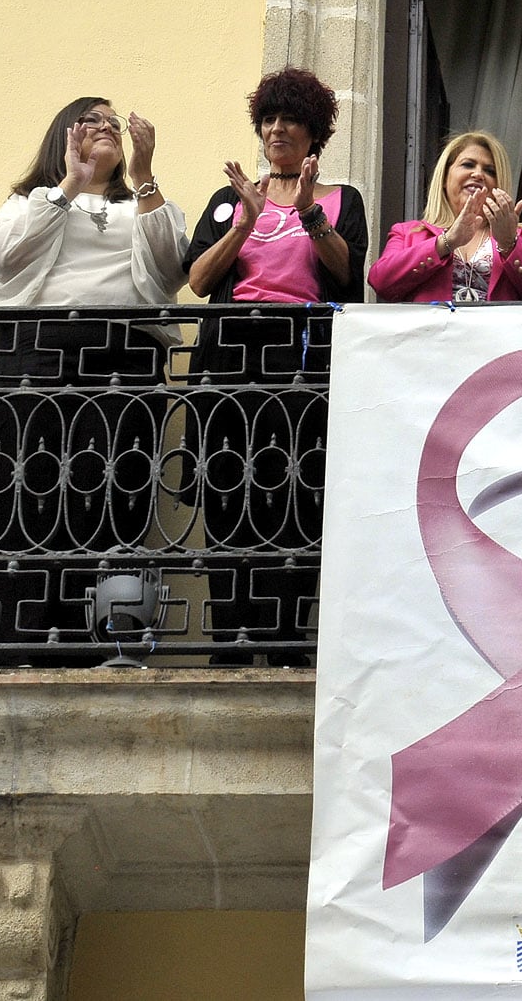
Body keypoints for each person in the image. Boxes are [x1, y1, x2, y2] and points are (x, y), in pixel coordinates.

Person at [0, 98, 188, 665]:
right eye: (90, 118)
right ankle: (21, 645)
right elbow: (3, 257)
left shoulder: (141, 199)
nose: (106, 128)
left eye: (111, 122)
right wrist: (69, 184)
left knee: (114, 494)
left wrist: (145, 178)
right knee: (32, 493)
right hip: (38, 356)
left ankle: (99, 643)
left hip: (125, 355)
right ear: (62, 134)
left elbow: (173, 267)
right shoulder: (31, 199)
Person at [183, 67, 367, 665]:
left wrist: (309, 211)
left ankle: (288, 640)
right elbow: (200, 279)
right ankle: (231, 642)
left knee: (297, 494)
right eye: (268, 119)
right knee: (228, 493)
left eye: (290, 119)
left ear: (314, 133)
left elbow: (347, 277)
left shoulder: (344, 200)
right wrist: (245, 220)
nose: (277, 128)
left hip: (303, 361)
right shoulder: (229, 200)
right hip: (229, 358)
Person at [367, 130, 522, 303]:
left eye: (489, 171)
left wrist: (509, 243)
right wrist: (447, 242)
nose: (478, 174)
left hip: (500, 342)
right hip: (430, 340)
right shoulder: (409, 232)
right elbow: (380, 282)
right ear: (444, 178)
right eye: (468, 165)